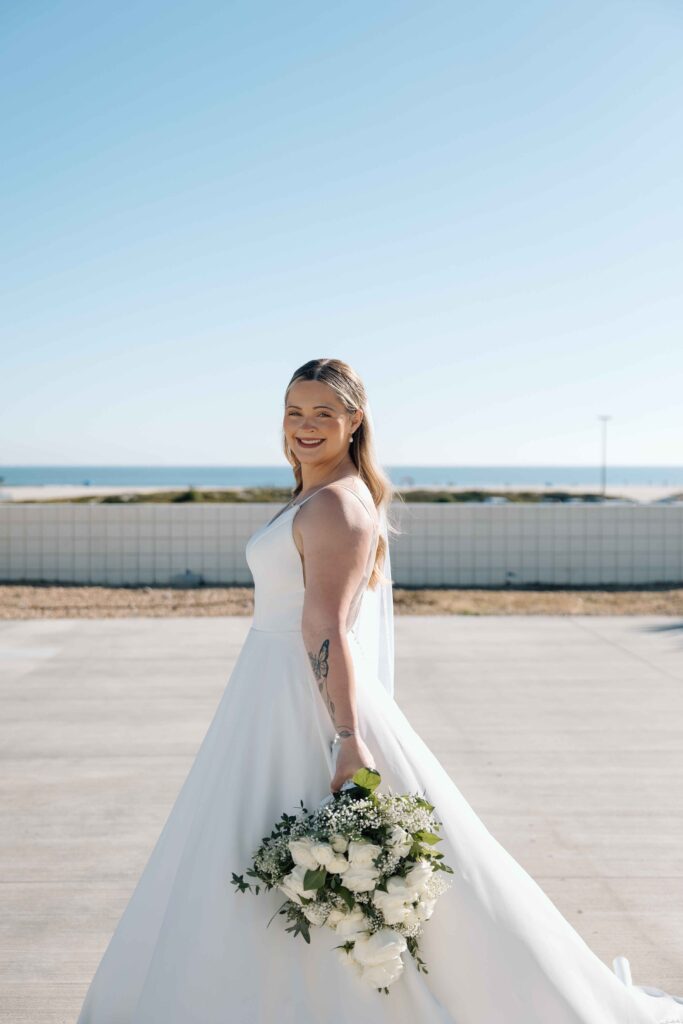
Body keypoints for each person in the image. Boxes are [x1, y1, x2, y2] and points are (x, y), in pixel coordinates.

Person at [76, 358, 682, 1023]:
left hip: (305, 701)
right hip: (265, 691)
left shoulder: (338, 504)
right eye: (293, 412)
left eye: (322, 415)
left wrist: (345, 737)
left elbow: (326, 624)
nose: (304, 427)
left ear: (353, 421)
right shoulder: (317, 495)